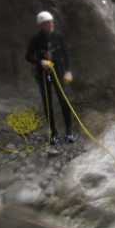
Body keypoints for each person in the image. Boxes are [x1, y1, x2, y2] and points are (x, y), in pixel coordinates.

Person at [25, 11, 76, 144]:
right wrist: (40, 62)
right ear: (42, 25)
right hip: (43, 73)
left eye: (51, 22)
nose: (50, 24)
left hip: (58, 71)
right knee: (47, 103)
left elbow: (66, 54)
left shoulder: (58, 37)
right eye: (47, 23)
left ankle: (69, 130)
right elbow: (28, 56)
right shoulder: (36, 39)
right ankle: (53, 132)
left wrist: (68, 71)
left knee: (64, 100)